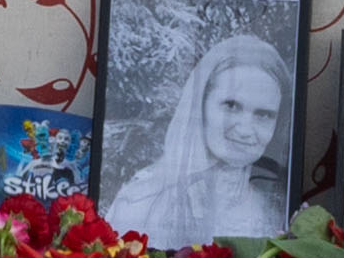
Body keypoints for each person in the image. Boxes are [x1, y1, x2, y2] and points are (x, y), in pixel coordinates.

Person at [108, 33, 297, 245]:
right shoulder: (139, 203)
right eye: (231, 106)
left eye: (263, 115)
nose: (245, 130)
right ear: (200, 105)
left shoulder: (274, 215)